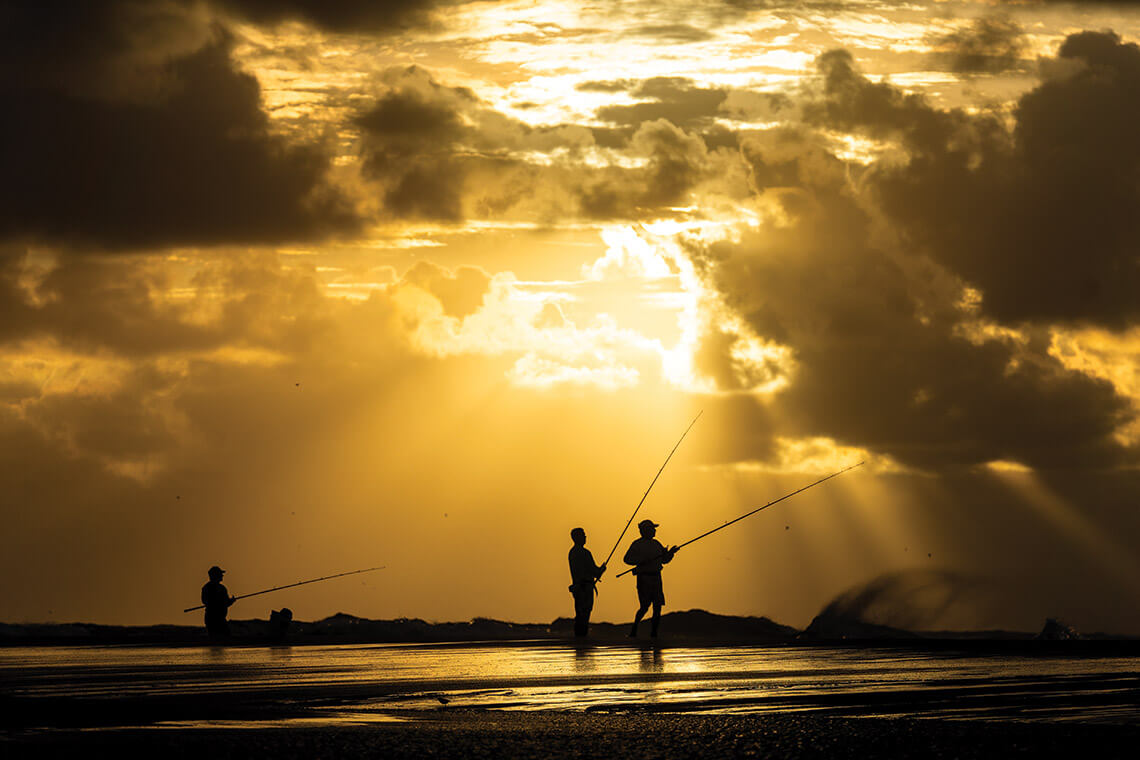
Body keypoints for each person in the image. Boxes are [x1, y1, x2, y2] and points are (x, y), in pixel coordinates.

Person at [623, 519, 677, 638]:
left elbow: (664, 560)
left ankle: (654, 633)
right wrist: (641, 560)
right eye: (652, 529)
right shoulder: (637, 544)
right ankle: (634, 629)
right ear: (645, 531)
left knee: (657, 606)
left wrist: (671, 553)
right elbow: (626, 559)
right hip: (644, 579)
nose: (654, 531)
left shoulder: (657, 544)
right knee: (645, 606)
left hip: (657, 578)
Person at [568, 528, 606, 637]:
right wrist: (602, 569)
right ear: (577, 537)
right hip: (585, 588)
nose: (585, 537)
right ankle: (582, 636)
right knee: (585, 613)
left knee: (579, 612)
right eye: (583, 535)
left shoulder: (572, 552)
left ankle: (579, 636)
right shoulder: (584, 553)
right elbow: (594, 571)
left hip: (577, 587)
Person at [201, 565, 236, 639]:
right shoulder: (208, 588)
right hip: (212, 619)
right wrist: (228, 602)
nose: (222, 575)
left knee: (224, 638)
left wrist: (231, 601)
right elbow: (204, 601)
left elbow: (225, 603)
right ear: (215, 575)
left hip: (220, 618)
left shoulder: (222, 588)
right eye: (220, 574)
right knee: (217, 639)